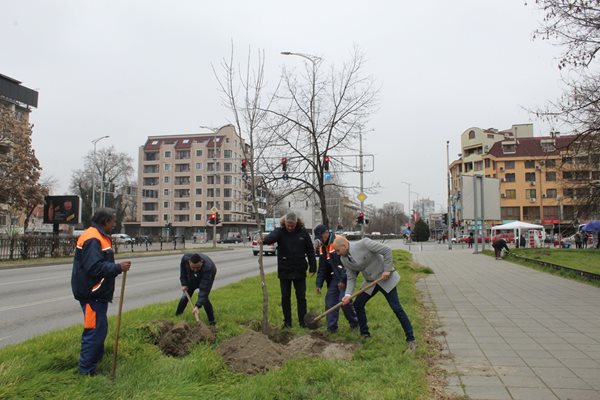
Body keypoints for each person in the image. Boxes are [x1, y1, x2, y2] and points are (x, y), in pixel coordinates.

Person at [71, 208, 132, 375]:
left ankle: (93, 364)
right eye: (113, 221)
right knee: (94, 332)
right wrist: (118, 267)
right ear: (105, 221)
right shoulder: (92, 238)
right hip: (92, 294)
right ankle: (87, 371)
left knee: (100, 329)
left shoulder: (98, 236)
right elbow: (94, 268)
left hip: (96, 294)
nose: (114, 224)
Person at [333, 236, 416, 351]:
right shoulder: (344, 259)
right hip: (370, 283)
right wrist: (347, 295)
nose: (337, 253)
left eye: (338, 250)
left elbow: (387, 251)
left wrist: (387, 269)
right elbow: (351, 277)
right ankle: (365, 334)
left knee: (396, 308)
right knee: (358, 304)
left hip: (385, 278)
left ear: (344, 245)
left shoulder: (365, 243)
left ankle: (410, 339)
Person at [261, 212, 317, 328]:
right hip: (284, 270)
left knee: (301, 297)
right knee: (285, 297)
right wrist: (264, 240)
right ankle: (287, 322)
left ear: (296, 223)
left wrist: (312, 266)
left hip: (300, 270)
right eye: (288, 225)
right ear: (285, 223)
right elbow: (273, 237)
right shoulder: (280, 231)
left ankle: (303, 321)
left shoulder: (303, 232)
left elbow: (310, 250)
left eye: (292, 225)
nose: (290, 228)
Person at [313, 224, 358, 334]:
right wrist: (319, 284)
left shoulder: (339, 241)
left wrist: (343, 280)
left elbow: (349, 264)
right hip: (334, 277)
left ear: (326, 233)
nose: (320, 240)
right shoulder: (323, 247)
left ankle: (355, 323)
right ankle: (331, 328)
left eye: (321, 237)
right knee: (330, 301)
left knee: (344, 301)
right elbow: (322, 267)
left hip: (346, 275)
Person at [175, 253, 217, 324]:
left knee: (205, 299)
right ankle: (178, 315)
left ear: (201, 262)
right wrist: (184, 284)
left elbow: (204, 290)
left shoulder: (208, 268)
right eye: (193, 267)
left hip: (209, 274)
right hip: (192, 277)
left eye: (197, 268)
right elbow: (183, 272)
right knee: (185, 295)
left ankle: (212, 321)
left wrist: (197, 306)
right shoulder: (185, 259)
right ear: (189, 262)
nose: (195, 270)